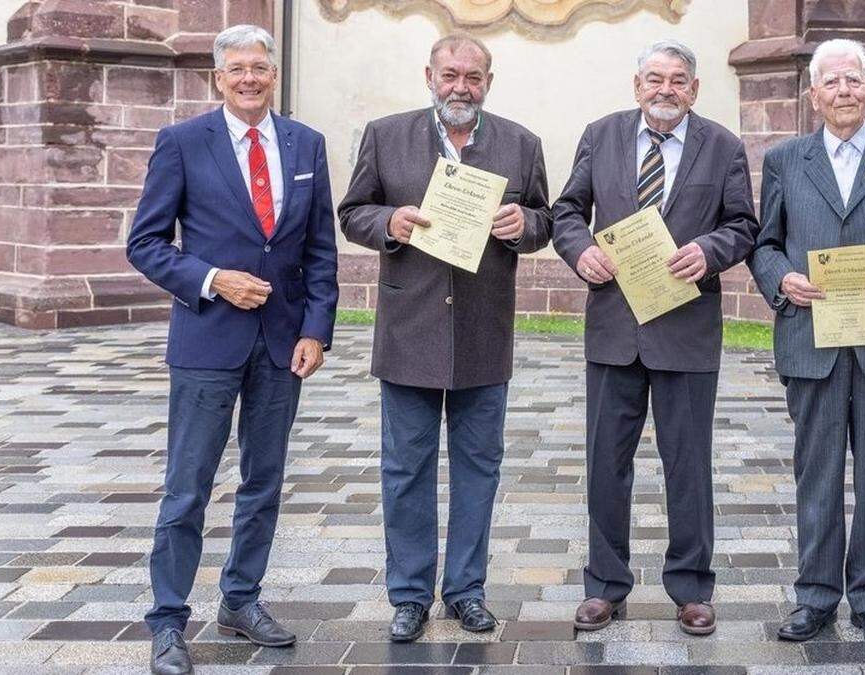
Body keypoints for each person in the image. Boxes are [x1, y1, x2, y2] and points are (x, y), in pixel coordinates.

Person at [127, 24, 338, 675]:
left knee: (264, 481)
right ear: (218, 77)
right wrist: (213, 279)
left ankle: (240, 598)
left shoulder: (307, 144)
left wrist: (315, 328)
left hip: (282, 345)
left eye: (260, 68)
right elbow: (146, 242)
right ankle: (167, 620)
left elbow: (319, 251)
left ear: (274, 75)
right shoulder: (184, 143)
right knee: (187, 487)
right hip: (207, 341)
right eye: (238, 68)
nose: (250, 78)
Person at [336, 34, 552, 643]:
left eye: (474, 77)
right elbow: (352, 211)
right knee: (406, 469)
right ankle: (408, 595)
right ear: (429, 75)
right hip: (410, 330)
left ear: (489, 80)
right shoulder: (385, 135)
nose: (462, 86)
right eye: (451, 74)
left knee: (479, 468)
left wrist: (523, 226)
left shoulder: (519, 143)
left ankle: (466, 591)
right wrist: (390, 223)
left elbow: (544, 219)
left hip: (484, 332)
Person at [552, 39, 758, 637]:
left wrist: (710, 251)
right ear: (636, 84)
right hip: (615, 328)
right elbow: (568, 210)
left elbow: (743, 224)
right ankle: (605, 587)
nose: (665, 89)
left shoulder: (721, 146)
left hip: (686, 329)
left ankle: (692, 588)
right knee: (604, 464)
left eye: (678, 80)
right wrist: (580, 249)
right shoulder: (602, 134)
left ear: (694, 89)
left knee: (688, 465)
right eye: (654, 79)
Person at [747, 38, 865, 651]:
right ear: (814, 95)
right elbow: (764, 244)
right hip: (813, 338)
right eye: (831, 83)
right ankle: (816, 597)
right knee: (818, 475)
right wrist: (782, 281)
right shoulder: (784, 160)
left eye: (854, 80)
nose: (844, 91)